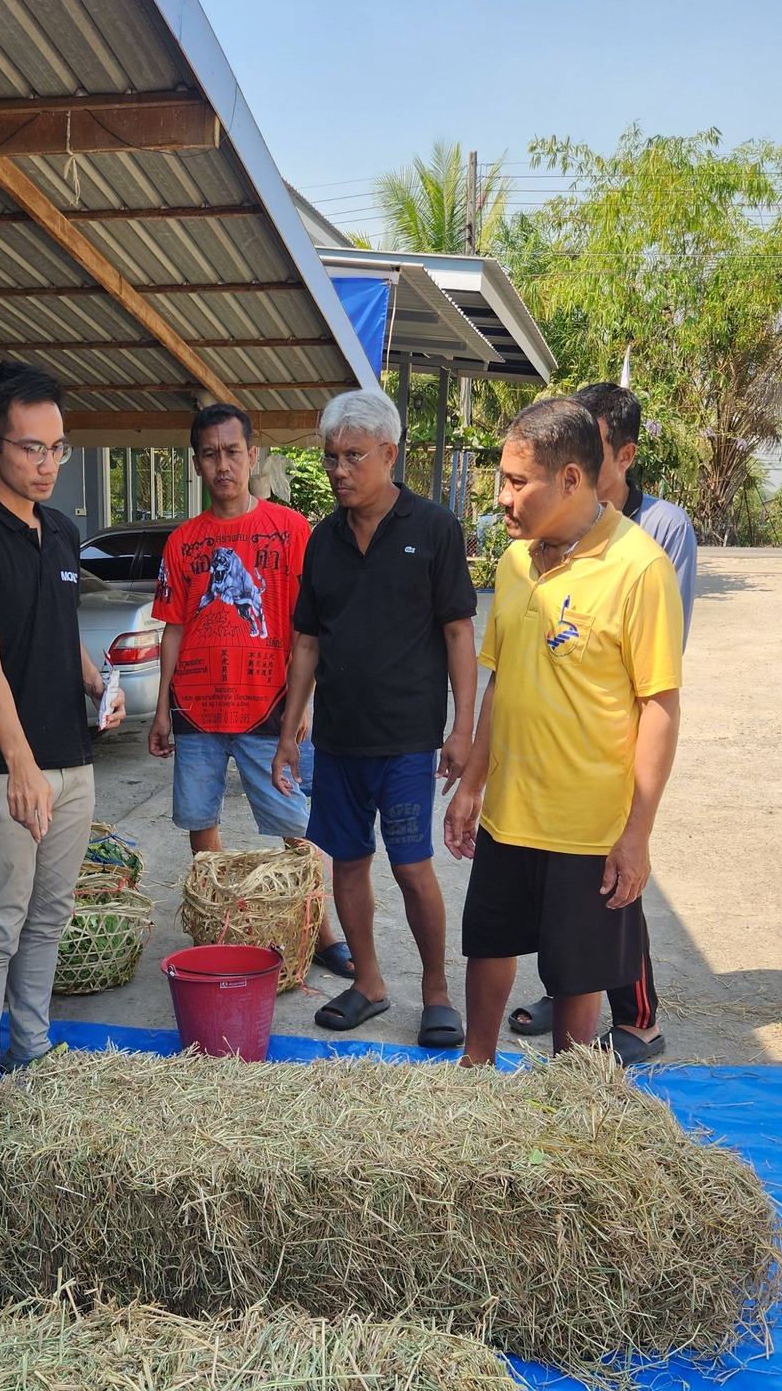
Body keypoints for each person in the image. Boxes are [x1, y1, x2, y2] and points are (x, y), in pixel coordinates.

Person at [443, 397, 682, 1066]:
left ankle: (570, 1105)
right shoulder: (516, 563)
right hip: (509, 813)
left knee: (576, 977)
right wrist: (472, 785)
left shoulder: (639, 568)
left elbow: (659, 707)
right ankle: (475, 1069)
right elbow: (503, 678)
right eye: (502, 479)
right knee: (488, 944)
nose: (502, 497)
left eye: (517, 482)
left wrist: (637, 832)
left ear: (572, 478)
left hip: (588, 826)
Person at [0, 359, 124, 1091]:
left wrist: (93, 679)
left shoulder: (64, 532)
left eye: (58, 447)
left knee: (51, 916)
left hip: (72, 756)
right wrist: (19, 766)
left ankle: (32, 1044)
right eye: (30, 448)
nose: (48, 465)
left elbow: (57, 621)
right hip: (2, 765)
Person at [273, 389, 477, 1047]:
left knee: (412, 866)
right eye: (331, 457)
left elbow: (457, 634)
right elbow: (307, 639)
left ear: (389, 454)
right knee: (349, 862)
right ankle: (368, 983)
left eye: (352, 457)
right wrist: (288, 731)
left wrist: (463, 728)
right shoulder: (322, 540)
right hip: (338, 740)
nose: (338, 470)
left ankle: (437, 992)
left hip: (409, 742)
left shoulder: (433, 528)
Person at [507, 381, 696, 1060]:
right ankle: (568, 994)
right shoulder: (553, 533)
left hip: (613, 745)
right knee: (568, 906)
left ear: (621, 455)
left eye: (590, 449)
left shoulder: (656, 534)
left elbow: (656, 668)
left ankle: (639, 1019)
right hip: (555, 758)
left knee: (616, 890)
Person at [147, 403, 350, 975]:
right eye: (210, 455)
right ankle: (218, 929)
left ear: (252, 456)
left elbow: (308, 625)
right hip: (197, 709)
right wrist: (162, 708)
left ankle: (322, 931)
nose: (223, 465)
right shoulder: (183, 542)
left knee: (298, 827)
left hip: (272, 706)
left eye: (232, 452)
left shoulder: (291, 530)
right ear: (196, 464)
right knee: (199, 820)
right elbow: (174, 628)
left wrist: (304, 702)